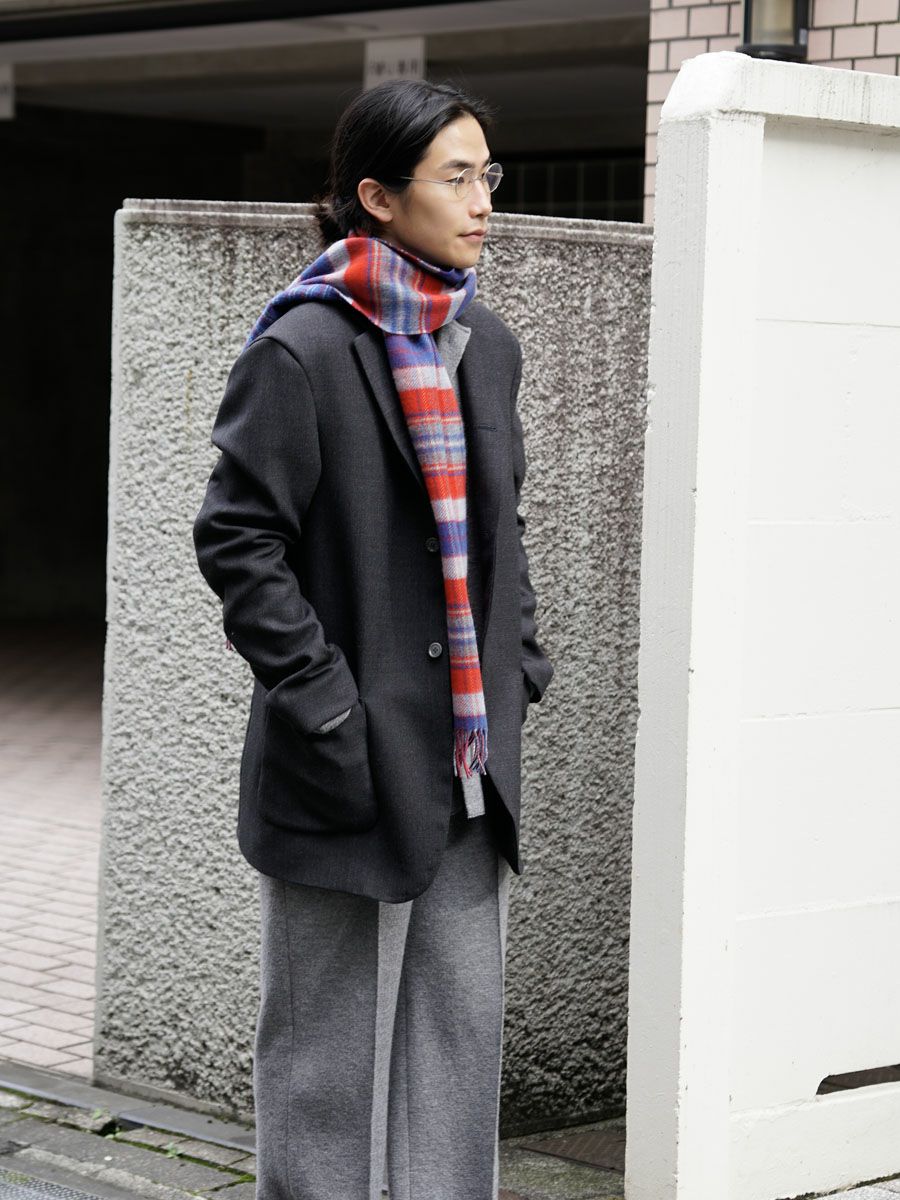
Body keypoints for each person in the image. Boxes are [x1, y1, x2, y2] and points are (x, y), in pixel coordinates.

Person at [192, 77, 553, 1200]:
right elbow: (238, 541)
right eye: (457, 176)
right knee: (326, 1056)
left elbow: (502, 525)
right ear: (378, 197)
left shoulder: (485, 344)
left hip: (468, 755)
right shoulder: (303, 348)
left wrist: (519, 663)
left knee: (458, 1037)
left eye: (489, 174)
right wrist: (324, 701)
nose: (484, 200)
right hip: (342, 754)